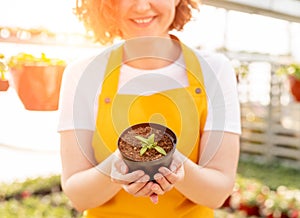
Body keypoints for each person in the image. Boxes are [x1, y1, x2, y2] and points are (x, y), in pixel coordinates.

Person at [57, 0, 241, 217]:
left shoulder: (214, 70)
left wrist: (169, 161)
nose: (142, 6)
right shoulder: (82, 73)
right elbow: (78, 195)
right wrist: (122, 164)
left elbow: (217, 194)